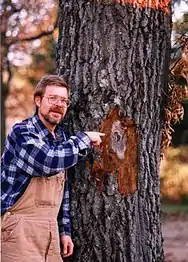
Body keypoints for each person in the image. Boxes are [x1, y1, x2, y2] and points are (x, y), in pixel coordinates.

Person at [1, 75, 104, 262]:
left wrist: (64, 231)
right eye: (53, 98)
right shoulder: (22, 133)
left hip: (50, 232)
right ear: (38, 100)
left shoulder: (62, 140)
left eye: (64, 100)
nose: (59, 104)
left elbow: (62, 190)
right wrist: (84, 139)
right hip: (17, 230)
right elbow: (48, 162)